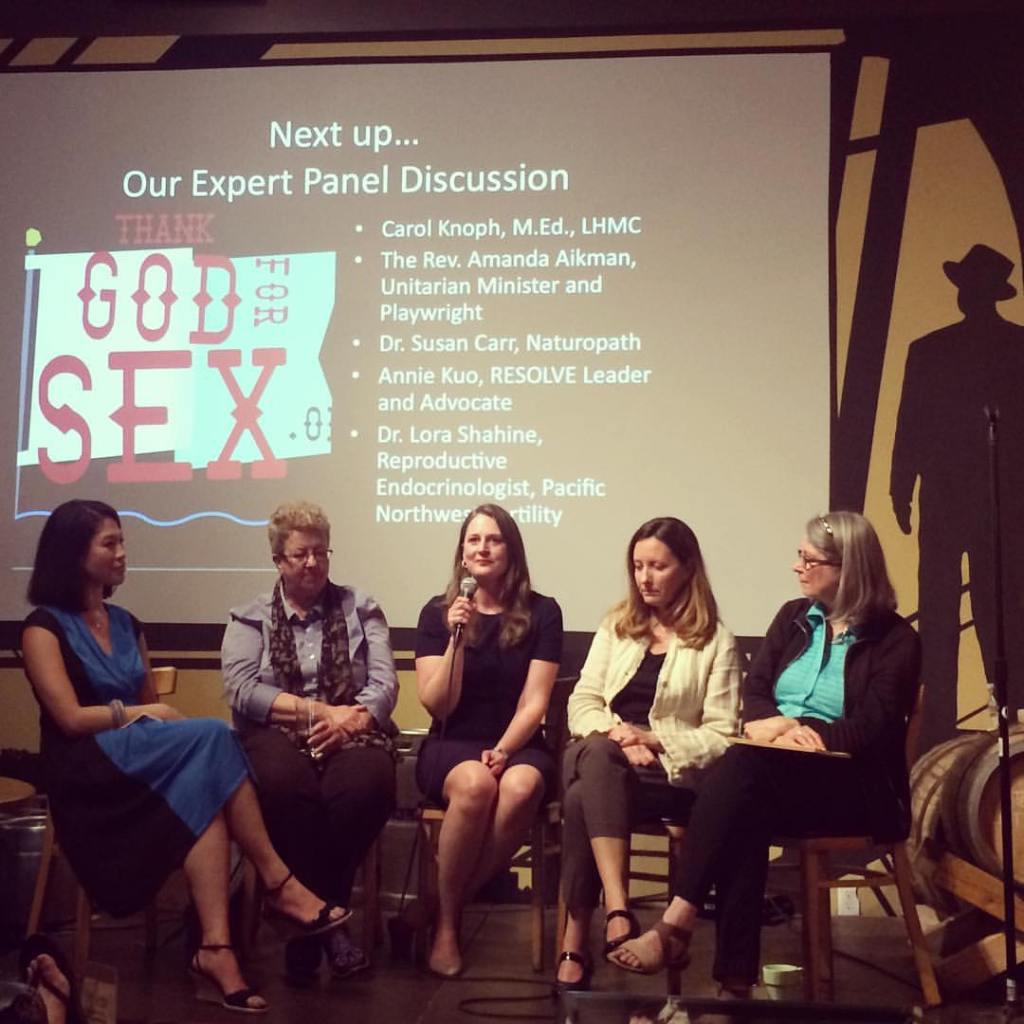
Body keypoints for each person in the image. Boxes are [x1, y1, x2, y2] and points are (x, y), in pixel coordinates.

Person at [21, 500, 346, 1016]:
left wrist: (150, 714)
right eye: (110, 543)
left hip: (137, 766)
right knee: (214, 736)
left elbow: (158, 726)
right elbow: (69, 719)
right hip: (86, 774)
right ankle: (278, 882)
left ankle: (216, 949)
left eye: (122, 541)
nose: (123, 553)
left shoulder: (127, 623)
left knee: (206, 789)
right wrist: (142, 711)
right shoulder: (42, 628)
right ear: (74, 553)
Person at [607, 512, 920, 1004]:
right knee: (745, 798)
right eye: (800, 557)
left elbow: (873, 727)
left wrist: (804, 729)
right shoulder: (793, 618)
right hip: (774, 772)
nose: (797, 567)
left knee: (741, 773)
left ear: (849, 567)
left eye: (810, 560)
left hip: (852, 786)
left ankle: (676, 925)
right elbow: (754, 694)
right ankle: (734, 985)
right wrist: (776, 727)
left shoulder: (896, 640)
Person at [554, 517, 741, 994]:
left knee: (580, 795)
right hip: (609, 758)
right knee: (596, 759)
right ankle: (619, 908)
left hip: (670, 777)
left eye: (657, 566)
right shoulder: (618, 626)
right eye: (637, 566)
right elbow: (583, 701)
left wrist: (655, 741)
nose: (645, 577)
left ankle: (577, 942)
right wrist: (620, 737)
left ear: (687, 568)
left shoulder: (715, 640)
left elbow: (723, 735)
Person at [222, 500, 398, 984]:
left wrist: (351, 722)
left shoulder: (361, 608)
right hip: (275, 735)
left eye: (321, 552)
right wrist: (319, 713)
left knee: (366, 787)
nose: (313, 563)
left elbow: (384, 685)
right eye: (301, 554)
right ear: (278, 560)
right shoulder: (250, 617)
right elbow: (241, 690)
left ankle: (308, 923)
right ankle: (330, 930)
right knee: (285, 786)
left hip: (352, 731)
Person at [415, 504, 563, 976]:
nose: (483, 548)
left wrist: (503, 750)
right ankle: (447, 929)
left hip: (518, 741)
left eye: (494, 539)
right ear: (462, 554)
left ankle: (441, 908)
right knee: (476, 785)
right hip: (452, 743)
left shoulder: (543, 612)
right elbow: (437, 706)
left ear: (511, 550)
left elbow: (534, 703)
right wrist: (456, 639)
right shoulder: (437, 614)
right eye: (474, 540)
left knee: (520, 787)